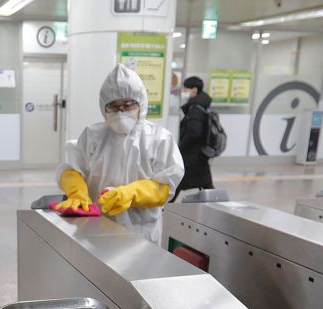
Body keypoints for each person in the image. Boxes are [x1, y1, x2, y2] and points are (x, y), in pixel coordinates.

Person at [56, 64, 184, 243]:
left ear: (140, 103)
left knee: (139, 270)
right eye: (113, 106)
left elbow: (165, 186)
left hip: (141, 231)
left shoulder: (159, 139)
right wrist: (77, 193)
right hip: (95, 225)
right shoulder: (93, 135)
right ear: (104, 107)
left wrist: (132, 193)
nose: (120, 112)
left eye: (128, 104)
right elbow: (70, 169)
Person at [175, 75, 214, 200]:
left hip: (192, 155)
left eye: (186, 89)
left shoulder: (195, 108)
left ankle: (162, 206)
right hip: (199, 154)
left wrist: (180, 148)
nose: (184, 91)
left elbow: (194, 133)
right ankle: (214, 203)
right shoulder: (201, 105)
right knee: (205, 183)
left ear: (194, 90)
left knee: (176, 181)